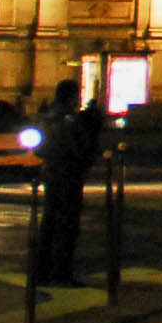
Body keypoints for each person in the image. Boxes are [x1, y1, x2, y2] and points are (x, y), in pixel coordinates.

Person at [33, 80, 100, 286]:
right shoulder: (70, 121)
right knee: (67, 225)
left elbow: (39, 149)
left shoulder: (46, 117)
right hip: (68, 175)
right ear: (72, 97)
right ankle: (62, 272)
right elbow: (81, 150)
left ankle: (42, 271)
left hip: (51, 173)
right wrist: (92, 127)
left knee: (49, 223)